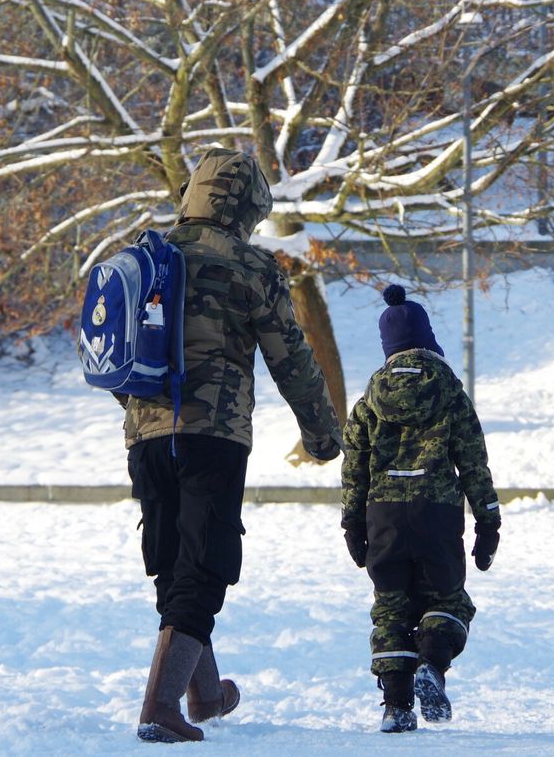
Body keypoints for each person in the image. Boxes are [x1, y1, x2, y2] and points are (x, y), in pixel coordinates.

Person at [121, 148, 342, 743]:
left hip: (146, 438)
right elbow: (291, 360)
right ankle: (159, 709)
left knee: (174, 562)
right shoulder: (251, 267)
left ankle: (203, 693)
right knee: (208, 562)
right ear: (246, 208)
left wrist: (143, 418)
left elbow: (110, 350)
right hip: (213, 438)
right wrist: (322, 434)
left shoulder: (147, 258)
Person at [340, 283, 501, 733]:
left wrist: (352, 524)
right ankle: (432, 665)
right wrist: (488, 522)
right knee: (447, 599)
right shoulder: (449, 392)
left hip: (384, 516)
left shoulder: (368, 401)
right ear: (428, 339)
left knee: (391, 607)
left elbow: (354, 467)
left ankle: (396, 706)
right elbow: (473, 461)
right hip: (437, 514)